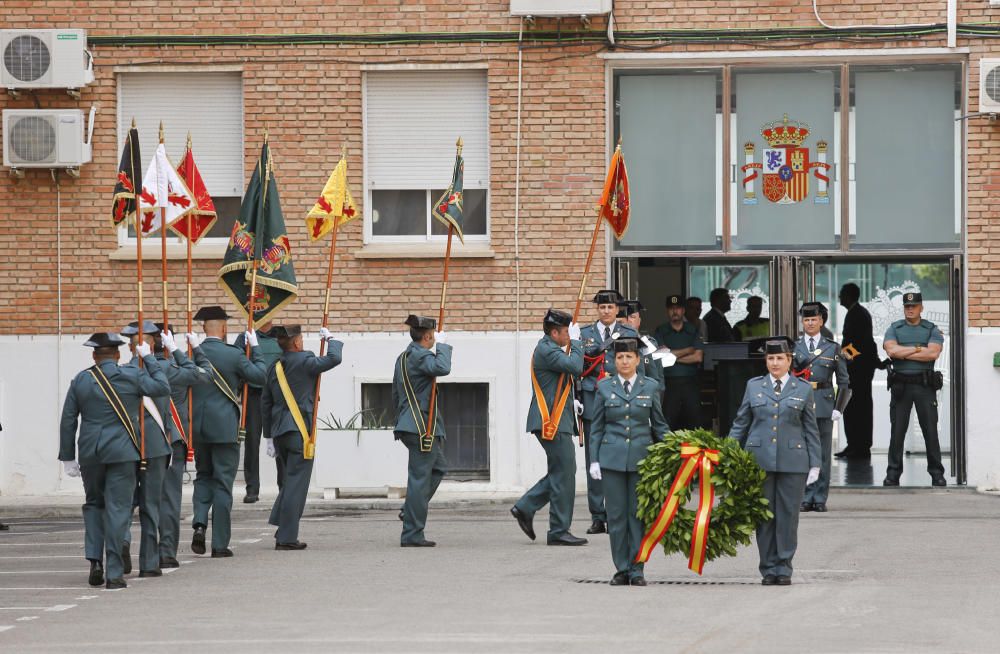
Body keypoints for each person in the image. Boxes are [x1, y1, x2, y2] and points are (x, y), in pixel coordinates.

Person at [59, 332, 170, 589]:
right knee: (118, 508)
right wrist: (149, 358)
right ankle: (114, 573)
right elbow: (162, 388)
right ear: (119, 355)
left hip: (90, 453)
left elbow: (68, 420)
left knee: (94, 505)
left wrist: (67, 457)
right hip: (122, 452)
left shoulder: (81, 380)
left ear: (94, 356)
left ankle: (95, 561)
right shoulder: (132, 375)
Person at [729, 337, 820, 586]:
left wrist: (815, 463)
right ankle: (768, 568)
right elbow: (741, 423)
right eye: (770, 358)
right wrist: (728, 453)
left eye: (780, 358)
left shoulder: (802, 388)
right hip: (759, 460)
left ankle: (784, 567)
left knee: (788, 517)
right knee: (764, 516)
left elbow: (811, 428)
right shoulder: (753, 386)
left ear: (789, 360)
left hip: (794, 462)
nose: (775, 363)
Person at [589, 337, 669, 585]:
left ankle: (637, 569)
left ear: (637, 359)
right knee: (615, 516)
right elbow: (597, 428)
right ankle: (621, 568)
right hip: (611, 461)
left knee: (638, 515)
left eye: (629, 357)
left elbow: (659, 425)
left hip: (641, 460)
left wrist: (677, 448)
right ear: (614, 360)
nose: (624, 361)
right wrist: (594, 461)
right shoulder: (604, 387)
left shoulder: (650, 386)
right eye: (620, 357)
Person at [189, 306, 268, 558]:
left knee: (203, 477)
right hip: (224, 428)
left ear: (203, 328)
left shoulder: (191, 354)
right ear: (223, 328)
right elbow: (260, 376)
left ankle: (200, 523)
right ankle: (219, 543)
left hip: (198, 428)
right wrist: (255, 347)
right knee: (223, 483)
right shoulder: (233, 355)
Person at [262, 325, 343, 550]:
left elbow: (265, 403)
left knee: (289, 483)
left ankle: (283, 526)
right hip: (299, 432)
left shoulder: (274, 367)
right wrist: (331, 339)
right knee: (296, 486)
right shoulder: (305, 361)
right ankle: (287, 538)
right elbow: (335, 359)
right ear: (297, 343)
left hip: (279, 433)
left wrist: (267, 436)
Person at [511, 309, 587, 546]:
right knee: (564, 473)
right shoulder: (547, 350)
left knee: (562, 471)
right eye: (565, 332)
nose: (568, 335)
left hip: (557, 419)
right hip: (549, 420)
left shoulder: (551, 347)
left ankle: (526, 507)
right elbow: (575, 366)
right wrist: (576, 343)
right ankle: (557, 530)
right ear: (554, 333)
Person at [579, 289, 638, 535]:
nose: (606, 311)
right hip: (594, 398)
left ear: (617, 310)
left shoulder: (629, 333)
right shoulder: (584, 334)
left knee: (621, 454)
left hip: (620, 398)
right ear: (597, 310)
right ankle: (597, 515)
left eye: (610, 307)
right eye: (602, 307)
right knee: (594, 457)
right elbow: (577, 366)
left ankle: (619, 512)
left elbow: (636, 367)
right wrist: (577, 396)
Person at [119, 320, 174, 578]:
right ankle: (149, 562)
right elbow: (195, 373)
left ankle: (122, 542)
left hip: (127, 444)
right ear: (151, 345)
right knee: (151, 506)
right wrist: (152, 359)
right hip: (154, 446)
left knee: (125, 504)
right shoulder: (163, 368)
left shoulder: (119, 373)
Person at [155, 324, 212, 569]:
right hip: (170, 441)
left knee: (128, 500)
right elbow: (206, 373)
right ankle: (166, 551)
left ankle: (123, 546)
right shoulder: (173, 369)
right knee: (168, 500)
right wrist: (184, 350)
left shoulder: (130, 370)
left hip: (136, 443)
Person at [393, 315, 452, 547]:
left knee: (438, 468)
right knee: (419, 480)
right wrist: (444, 346)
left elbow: (395, 393)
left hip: (410, 423)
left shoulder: (403, 357)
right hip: (420, 426)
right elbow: (442, 368)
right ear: (428, 337)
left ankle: (410, 510)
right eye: (433, 337)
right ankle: (412, 534)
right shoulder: (420, 355)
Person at [882, 292, 946, 487]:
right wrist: (919, 349)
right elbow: (891, 351)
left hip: (924, 385)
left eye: (914, 306)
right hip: (901, 386)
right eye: (907, 306)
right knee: (897, 432)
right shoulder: (895, 328)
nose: (910, 309)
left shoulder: (931, 328)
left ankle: (936, 473)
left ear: (921, 307)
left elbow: (933, 353)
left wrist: (905, 352)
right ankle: (893, 474)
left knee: (930, 431)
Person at [794, 303, 850, 513]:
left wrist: (839, 407)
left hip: (824, 404)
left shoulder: (832, 347)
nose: (810, 323)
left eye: (814, 319)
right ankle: (806, 496)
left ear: (821, 321)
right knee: (804, 452)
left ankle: (820, 498)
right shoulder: (794, 347)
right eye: (806, 320)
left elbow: (844, 380)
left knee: (823, 454)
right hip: (800, 404)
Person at [233, 322, 282, 503]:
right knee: (252, 442)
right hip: (253, 395)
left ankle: (283, 488)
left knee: (280, 439)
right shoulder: (244, 337)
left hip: (277, 395)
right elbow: (236, 363)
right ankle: (252, 489)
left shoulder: (281, 334)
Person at [837, 283, 878, 459]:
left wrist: (845, 358)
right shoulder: (857, 313)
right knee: (854, 408)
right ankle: (854, 445)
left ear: (848, 296)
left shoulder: (857, 314)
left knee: (857, 408)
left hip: (858, 371)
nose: (839, 297)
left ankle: (859, 446)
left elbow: (860, 344)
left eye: (841, 294)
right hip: (859, 369)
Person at [654, 294, 705, 431]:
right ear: (667, 311)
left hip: (690, 383)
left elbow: (698, 357)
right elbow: (660, 357)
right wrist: (688, 350)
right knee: (668, 422)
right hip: (669, 383)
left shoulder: (693, 330)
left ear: (683, 310)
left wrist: (671, 356)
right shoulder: (661, 331)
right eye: (671, 308)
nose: (674, 311)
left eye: (678, 308)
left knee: (695, 422)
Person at [618, 299, 663, 392]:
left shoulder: (649, 344)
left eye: (632, 317)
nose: (628, 320)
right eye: (625, 316)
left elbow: (657, 377)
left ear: (639, 321)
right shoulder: (611, 343)